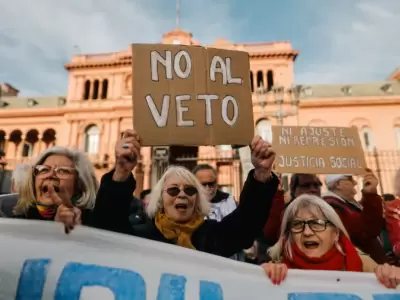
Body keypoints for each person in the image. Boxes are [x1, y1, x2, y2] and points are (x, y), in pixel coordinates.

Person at [93, 130, 279, 258]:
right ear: (160, 200)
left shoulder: (213, 236)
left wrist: (261, 174)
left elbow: (247, 223)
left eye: (190, 190)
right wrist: (121, 171)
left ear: (197, 200)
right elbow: (107, 224)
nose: (182, 195)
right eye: (173, 190)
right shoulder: (141, 236)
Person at [262, 194, 400, 289]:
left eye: (317, 224)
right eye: (297, 225)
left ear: (335, 233)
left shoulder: (364, 266)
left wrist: (392, 276)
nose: (307, 232)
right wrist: (262, 278)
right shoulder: (277, 270)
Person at [13, 146, 99, 233]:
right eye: (44, 169)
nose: (50, 175)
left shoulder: (95, 224)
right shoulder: (11, 221)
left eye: (63, 171)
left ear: (79, 186)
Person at [322, 172, 387, 264]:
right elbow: (366, 230)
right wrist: (370, 195)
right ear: (338, 184)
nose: (355, 183)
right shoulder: (334, 206)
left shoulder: (343, 204)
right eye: (350, 179)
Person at [263, 173, 322, 247]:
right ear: (294, 189)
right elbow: (270, 237)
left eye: (317, 185)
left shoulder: (327, 212)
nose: (313, 189)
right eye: (306, 185)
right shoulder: (284, 212)